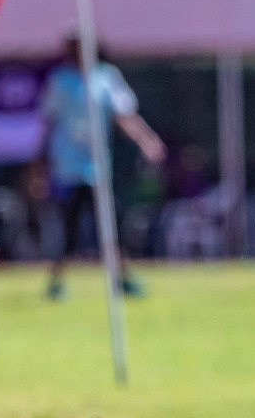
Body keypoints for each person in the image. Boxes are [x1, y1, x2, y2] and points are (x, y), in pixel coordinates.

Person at [40, 34, 166, 300]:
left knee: (112, 227)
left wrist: (147, 140)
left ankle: (123, 278)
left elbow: (124, 116)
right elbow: (48, 122)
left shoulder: (106, 77)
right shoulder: (60, 80)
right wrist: (41, 162)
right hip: (68, 168)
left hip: (98, 168)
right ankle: (57, 281)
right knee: (68, 229)